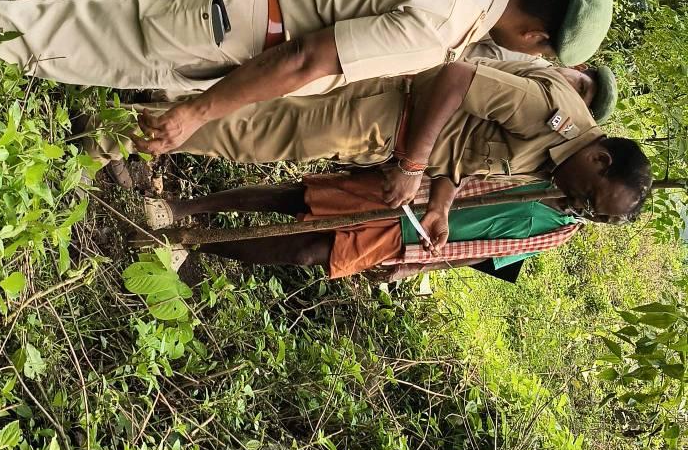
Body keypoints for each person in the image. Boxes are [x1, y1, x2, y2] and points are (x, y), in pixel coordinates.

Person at [0, 0, 613, 174]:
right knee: (58, 38)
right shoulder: (445, 27)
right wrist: (196, 113)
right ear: (535, 35)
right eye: (541, 54)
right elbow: (307, 58)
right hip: (238, 27)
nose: (531, 57)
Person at [84, 57, 649, 242]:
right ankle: (111, 134)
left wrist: (440, 202)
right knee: (253, 134)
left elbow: (466, 147)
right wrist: (412, 165)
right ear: (600, 160)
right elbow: (457, 78)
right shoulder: (552, 118)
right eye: (590, 199)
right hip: (385, 111)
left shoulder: (558, 159)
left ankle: (132, 112)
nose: (577, 207)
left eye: (590, 214)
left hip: (388, 133)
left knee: (256, 121)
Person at [142, 174, 585, 280]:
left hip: (406, 240)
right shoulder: (542, 170)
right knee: (297, 197)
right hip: (407, 196)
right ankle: (182, 208)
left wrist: (413, 268)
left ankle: (195, 245)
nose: (594, 212)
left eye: (605, 217)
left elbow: (481, 254)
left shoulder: (559, 233)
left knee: (306, 253)